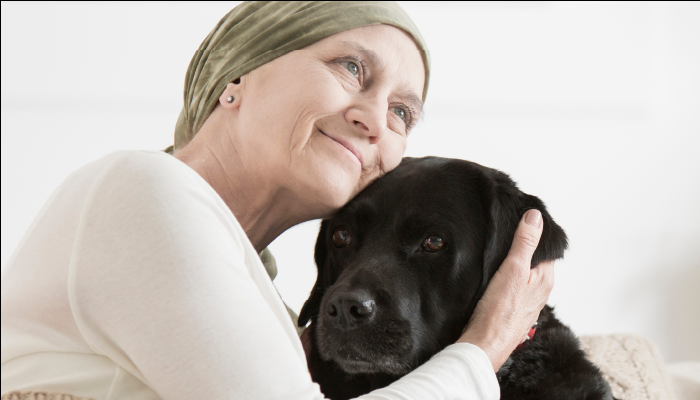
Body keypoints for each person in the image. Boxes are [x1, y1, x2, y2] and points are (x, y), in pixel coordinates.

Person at [0, 2, 554, 399]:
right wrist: (482, 352)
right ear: (237, 74)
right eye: (351, 68)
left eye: (402, 113)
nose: (374, 119)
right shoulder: (145, 188)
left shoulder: (254, 299)